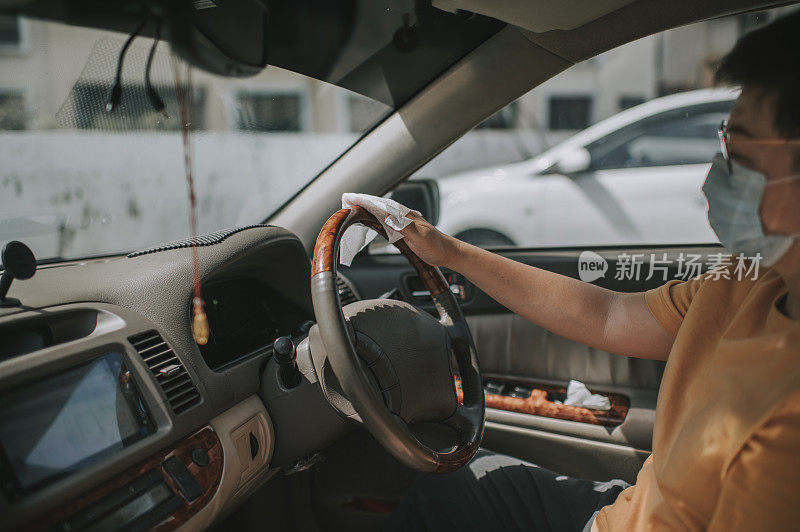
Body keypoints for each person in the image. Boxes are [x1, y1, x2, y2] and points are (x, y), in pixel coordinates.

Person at [385, 10, 800, 531]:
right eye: (723, 145)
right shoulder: (749, 281)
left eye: (741, 155)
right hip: (629, 512)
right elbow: (606, 315)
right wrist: (449, 252)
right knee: (457, 489)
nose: (712, 181)